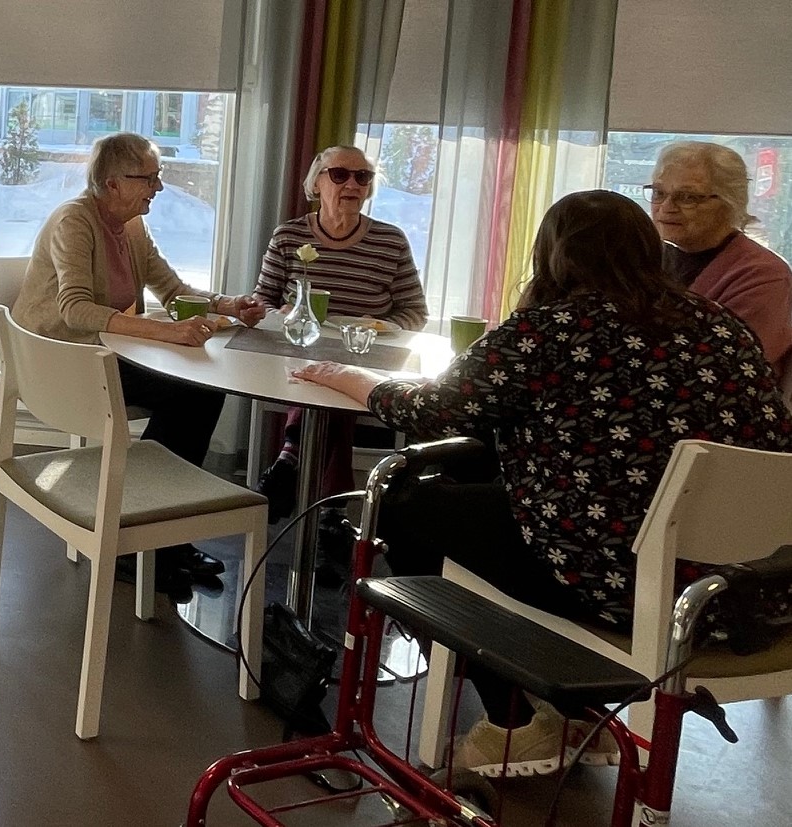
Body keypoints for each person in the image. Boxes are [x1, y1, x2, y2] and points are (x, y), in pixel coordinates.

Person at [294, 190, 792, 777]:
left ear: (553, 254)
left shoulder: (550, 329)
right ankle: (566, 711)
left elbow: (431, 412)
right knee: (476, 486)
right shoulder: (722, 325)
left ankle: (520, 720)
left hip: (626, 585)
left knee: (405, 506)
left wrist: (350, 377)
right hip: (745, 584)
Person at [10, 131, 268, 594]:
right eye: (148, 178)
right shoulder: (74, 221)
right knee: (192, 395)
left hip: (98, 352)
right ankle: (140, 538)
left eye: (157, 176)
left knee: (199, 391)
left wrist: (229, 304)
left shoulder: (131, 226)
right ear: (112, 183)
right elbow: (75, 310)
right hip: (59, 361)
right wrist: (166, 332)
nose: (159, 187)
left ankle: (154, 533)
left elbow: (172, 290)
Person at [254, 146, 428, 522]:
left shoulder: (391, 241)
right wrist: (280, 314)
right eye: (340, 175)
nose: (352, 184)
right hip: (299, 354)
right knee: (329, 376)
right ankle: (334, 512)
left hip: (365, 356)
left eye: (362, 177)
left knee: (341, 376)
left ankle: (288, 458)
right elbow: (261, 301)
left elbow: (416, 312)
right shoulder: (289, 236)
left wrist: (377, 327)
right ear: (317, 183)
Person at [647, 141, 792, 382]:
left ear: (729, 202)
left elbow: (732, 364)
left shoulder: (763, 274)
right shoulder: (646, 257)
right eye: (659, 193)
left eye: (687, 197)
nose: (666, 207)